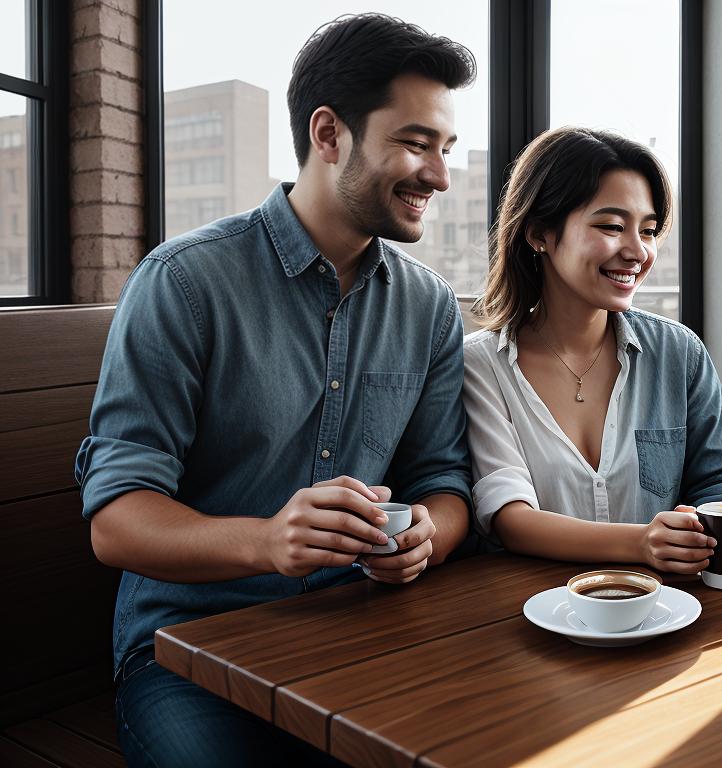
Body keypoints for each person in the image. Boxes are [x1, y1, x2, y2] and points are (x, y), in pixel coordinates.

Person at [76, 14, 477, 767]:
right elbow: (117, 523)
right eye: (417, 143)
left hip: (359, 630)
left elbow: (446, 483)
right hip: (188, 651)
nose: (440, 175)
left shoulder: (429, 308)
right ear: (330, 135)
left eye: (445, 149)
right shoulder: (184, 282)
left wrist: (427, 534)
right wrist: (268, 541)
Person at [463, 126, 722, 574]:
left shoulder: (679, 353)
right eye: (611, 226)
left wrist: (698, 526)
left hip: (663, 610)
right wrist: (641, 542)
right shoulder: (481, 365)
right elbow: (510, 519)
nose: (637, 251)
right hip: (530, 615)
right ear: (539, 232)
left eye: (650, 230)